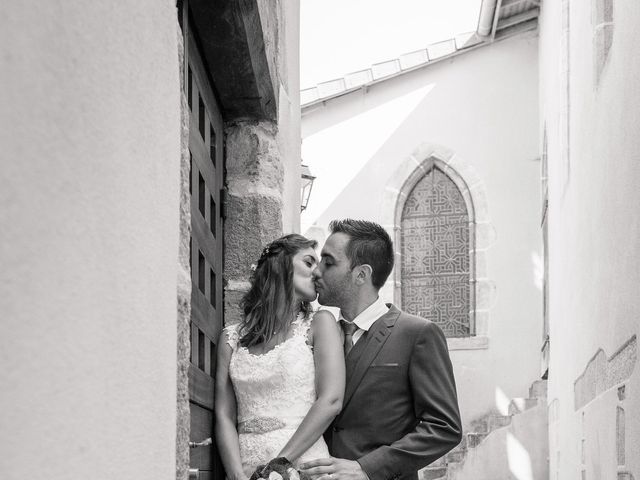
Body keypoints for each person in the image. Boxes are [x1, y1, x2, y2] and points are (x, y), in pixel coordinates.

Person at [301, 219, 462, 480]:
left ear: (361, 274)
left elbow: (444, 427)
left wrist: (368, 468)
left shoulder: (417, 333)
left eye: (328, 263)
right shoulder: (315, 335)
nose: (316, 272)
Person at [215, 234, 346, 480]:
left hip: (302, 463)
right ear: (280, 265)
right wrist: (236, 475)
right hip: (246, 467)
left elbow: (331, 400)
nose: (317, 273)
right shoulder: (230, 339)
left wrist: (279, 465)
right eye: (309, 262)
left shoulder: (320, 324)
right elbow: (224, 415)